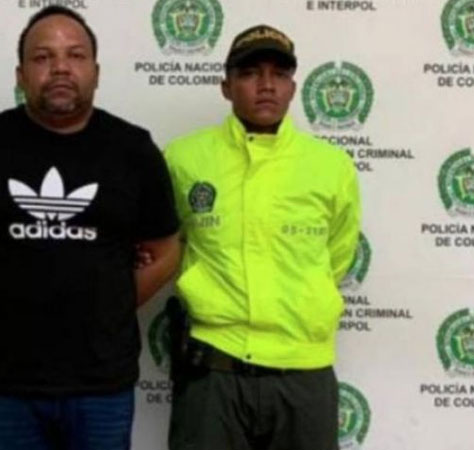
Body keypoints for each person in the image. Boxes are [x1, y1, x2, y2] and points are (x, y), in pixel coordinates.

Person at [0, 6, 181, 450]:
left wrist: (108, 302)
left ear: (96, 72)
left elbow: (165, 251)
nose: (61, 68)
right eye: (43, 57)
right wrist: (3, 292)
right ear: (20, 74)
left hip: (101, 384)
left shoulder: (133, 150)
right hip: (7, 383)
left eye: (75, 55)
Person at [164, 24, 361, 450]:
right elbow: (165, 244)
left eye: (279, 74)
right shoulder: (183, 158)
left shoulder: (331, 166)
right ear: (226, 86)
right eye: (250, 73)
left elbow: (338, 254)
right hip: (213, 370)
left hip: (303, 373)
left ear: (293, 88)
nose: (266, 85)